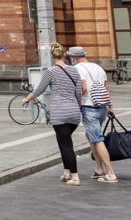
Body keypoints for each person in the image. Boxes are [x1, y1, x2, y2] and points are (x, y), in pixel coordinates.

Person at [22, 43, 84, 185]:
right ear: (64, 55)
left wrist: (26, 99)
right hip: (74, 113)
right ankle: (67, 172)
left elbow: (39, 90)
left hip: (59, 112)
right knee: (63, 142)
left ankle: (75, 176)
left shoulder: (50, 72)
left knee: (66, 144)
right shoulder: (74, 71)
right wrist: (78, 108)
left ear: (51, 56)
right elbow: (79, 94)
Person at [69, 46, 118, 183]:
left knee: (97, 139)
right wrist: (111, 106)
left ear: (74, 57)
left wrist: (76, 103)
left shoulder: (77, 69)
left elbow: (83, 88)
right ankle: (99, 169)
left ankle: (111, 173)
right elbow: (105, 88)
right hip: (102, 107)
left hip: (89, 107)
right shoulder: (98, 68)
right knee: (90, 136)